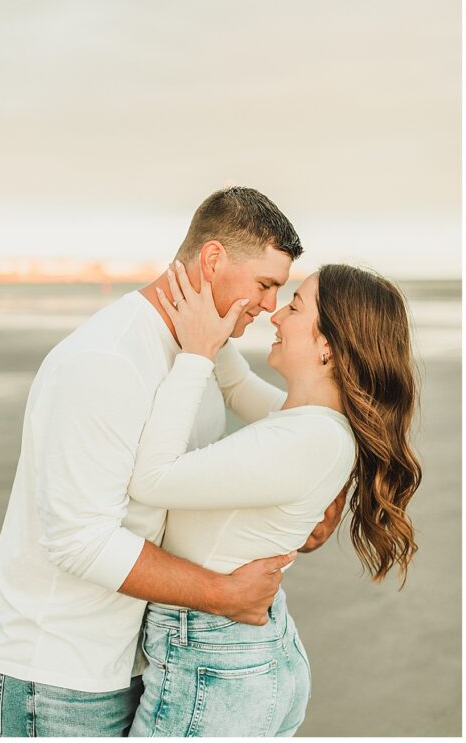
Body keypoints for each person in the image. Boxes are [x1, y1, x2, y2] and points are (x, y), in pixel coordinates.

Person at [0, 187, 343, 737]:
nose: (270, 307)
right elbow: (79, 539)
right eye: (265, 286)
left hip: (137, 657)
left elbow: (286, 422)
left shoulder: (204, 349)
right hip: (56, 672)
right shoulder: (106, 362)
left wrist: (326, 486)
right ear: (213, 260)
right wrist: (222, 594)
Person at [124, 260, 421, 736]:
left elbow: (152, 480)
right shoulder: (311, 422)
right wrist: (212, 307)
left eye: (296, 306)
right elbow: (237, 386)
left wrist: (196, 354)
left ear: (326, 345)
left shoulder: (306, 440)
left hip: (215, 663)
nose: (276, 315)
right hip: (240, 656)